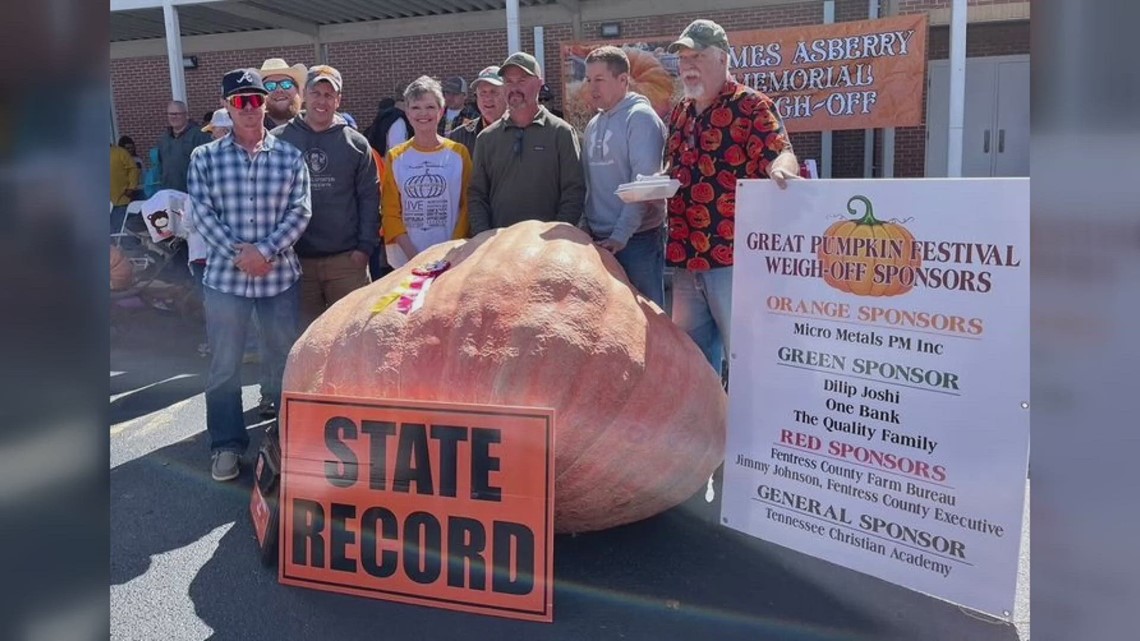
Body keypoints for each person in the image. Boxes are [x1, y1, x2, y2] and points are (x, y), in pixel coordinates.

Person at [186, 67, 311, 482]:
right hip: (226, 281)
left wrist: (266, 251)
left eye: (255, 99)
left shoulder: (290, 156)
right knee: (224, 366)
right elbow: (202, 215)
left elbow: (300, 211)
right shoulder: (204, 158)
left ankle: (284, 440)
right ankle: (225, 445)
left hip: (279, 278)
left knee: (282, 360)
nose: (249, 108)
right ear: (226, 106)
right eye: (240, 101)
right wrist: (243, 256)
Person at [664, 19, 800, 372]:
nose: (688, 65)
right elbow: (673, 168)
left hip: (734, 263)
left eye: (697, 56)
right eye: (683, 58)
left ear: (723, 59)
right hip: (685, 258)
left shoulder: (751, 106)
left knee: (746, 360)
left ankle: (748, 426)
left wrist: (781, 168)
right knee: (693, 366)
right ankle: (708, 426)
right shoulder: (681, 112)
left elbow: (780, 152)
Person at [272, 65, 379, 327]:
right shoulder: (278, 141)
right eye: (316, 92)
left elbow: (369, 198)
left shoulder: (355, 143)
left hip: (346, 262)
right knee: (304, 338)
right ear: (304, 95)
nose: (322, 100)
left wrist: (364, 248)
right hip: (296, 262)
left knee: (354, 331)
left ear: (338, 100)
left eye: (329, 95)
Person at [580, 46, 669, 307]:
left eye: (599, 80)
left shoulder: (640, 118)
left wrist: (621, 235)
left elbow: (644, 185)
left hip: (636, 240)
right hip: (600, 240)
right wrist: (586, 227)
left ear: (622, 80)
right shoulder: (594, 124)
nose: (592, 88)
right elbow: (588, 183)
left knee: (647, 317)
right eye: (588, 80)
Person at [467, 52, 585, 236]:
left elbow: (574, 191)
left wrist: (557, 235)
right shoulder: (486, 139)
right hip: (499, 247)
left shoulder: (561, 133)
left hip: (548, 247)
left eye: (521, 80)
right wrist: (485, 236)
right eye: (508, 81)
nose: (514, 88)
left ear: (539, 83)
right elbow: (477, 195)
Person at [382, 76, 471, 267]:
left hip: (451, 259)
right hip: (408, 261)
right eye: (416, 107)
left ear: (441, 111)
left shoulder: (459, 153)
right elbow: (390, 212)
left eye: (430, 107)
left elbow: (468, 206)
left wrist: (450, 251)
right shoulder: (395, 156)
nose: (423, 113)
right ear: (407, 112)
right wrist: (415, 257)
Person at [449, 65, 507, 158]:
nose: (487, 98)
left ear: (507, 95)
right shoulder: (459, 137)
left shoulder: (520, 132)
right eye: (482, 92)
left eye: (494, 92)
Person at [157, 100, 211, 192]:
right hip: (169, 193)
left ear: (186, 115)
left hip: (194, 192)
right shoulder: (164, 139)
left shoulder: (199, 136)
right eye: (171, 114)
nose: (174, 117)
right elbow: (161, 165)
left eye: (177, 114)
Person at [259, 58, 307, 129]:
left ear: (297, 90)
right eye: (270, 86)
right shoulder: (252, 130)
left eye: (286, 84)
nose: (279, 90)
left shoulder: (313, 125)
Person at [110, 140, 140, 232]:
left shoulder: (120, 152)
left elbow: (133, 169)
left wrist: (131, 187)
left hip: (120, 201)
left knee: (119, 232)